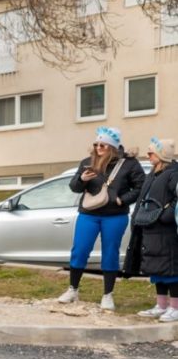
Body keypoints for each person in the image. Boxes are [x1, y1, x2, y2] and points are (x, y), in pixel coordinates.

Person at [59, 126, 146, 311]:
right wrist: (82, 179)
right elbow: (74, 187)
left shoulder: (129, 164)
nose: (98, 148)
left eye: (103, 145)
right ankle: (73, 289)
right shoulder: (87, 162)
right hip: (88, 214)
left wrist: (123, 200)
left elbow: (141, 187)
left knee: (110, 253)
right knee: (80, 250)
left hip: (115, 216)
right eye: (96, 144)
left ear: (112, 147)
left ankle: (107, 295)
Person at [130, 138, 178, 321]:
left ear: (162, 154)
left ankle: (175, 307)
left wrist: (165, 215)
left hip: (166, 230)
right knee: (157, 268)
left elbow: (176, 198)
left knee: (171, 269)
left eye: (151, 153)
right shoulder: (153, 173)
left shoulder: (174, 173)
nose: (148, 155)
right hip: (150, 227)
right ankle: (161, 305)